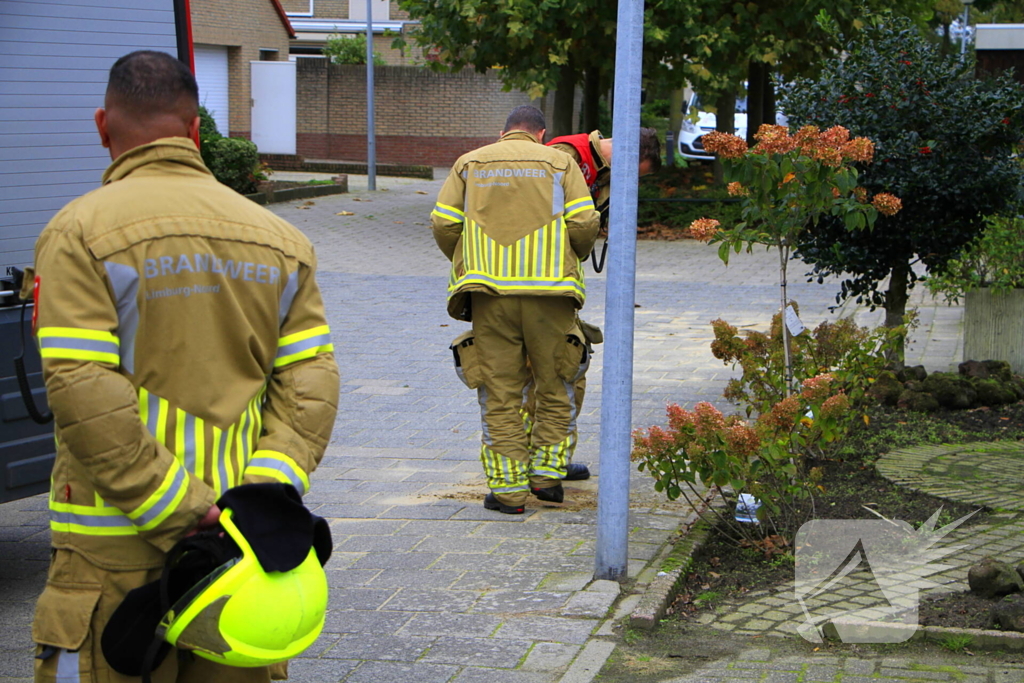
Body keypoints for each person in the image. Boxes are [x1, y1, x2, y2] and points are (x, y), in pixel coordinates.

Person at [25, 50, 339, 682]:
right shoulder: (279, 239)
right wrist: (265, 491)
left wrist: (180, 508)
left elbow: (81, 388)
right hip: (239, 557)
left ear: (102, 127)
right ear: (196, 130)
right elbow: (311, 379)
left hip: (115, 556)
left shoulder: (78, 232)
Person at [432, 105, 600, 514]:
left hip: (490, 296)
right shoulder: (561, 162)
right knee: (557, 385)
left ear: (503, 133)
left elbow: (443, 223)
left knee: (500, 392)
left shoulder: (469, 163)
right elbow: (582, 223)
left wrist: (466, 256)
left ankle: (507, 493)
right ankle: (546, 480)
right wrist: (570, 255)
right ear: (541, 134)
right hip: (552, 297)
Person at [517, 128, 663, 481]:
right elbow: (546, 215)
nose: (633, 182)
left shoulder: (595, 168)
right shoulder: (569, 156)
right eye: (636, 172)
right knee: (555, 373)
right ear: (630, 154)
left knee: (561, 371)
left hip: (549, 281)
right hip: (541, 281)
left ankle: (542, 458)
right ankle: (535, 459)